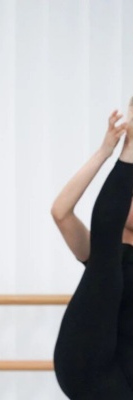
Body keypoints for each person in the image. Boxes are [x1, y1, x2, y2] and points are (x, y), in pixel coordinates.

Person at [51, 101, 133, 399]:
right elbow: (61, 212)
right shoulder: (100, 254)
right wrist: (105, 152)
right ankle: (129, 154)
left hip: (123, 381)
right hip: (86, 366)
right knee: (105, 258)